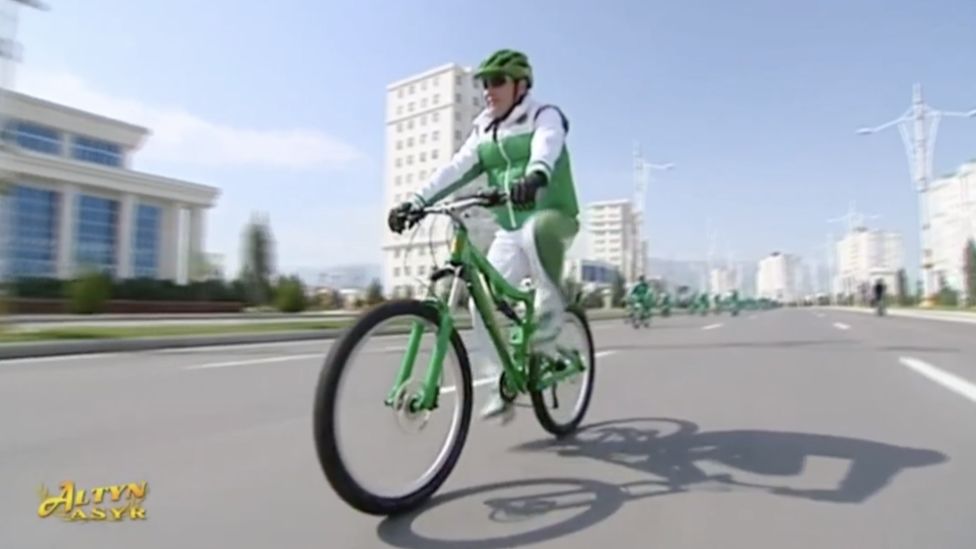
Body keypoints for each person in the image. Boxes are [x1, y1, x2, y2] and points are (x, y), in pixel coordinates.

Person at [387, 49, 581, 424]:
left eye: (496, 82)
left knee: (539, 231)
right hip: (510, 229)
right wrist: (415, 201)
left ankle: (551, 319)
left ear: (520, 85)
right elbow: (456, 168)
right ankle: (501, 381)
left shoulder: (544, 115)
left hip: (552, 217)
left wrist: (537, 175)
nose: (487, 90)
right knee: (481, 304)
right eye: (484, 83)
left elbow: (548, 144)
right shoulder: (484, 129)